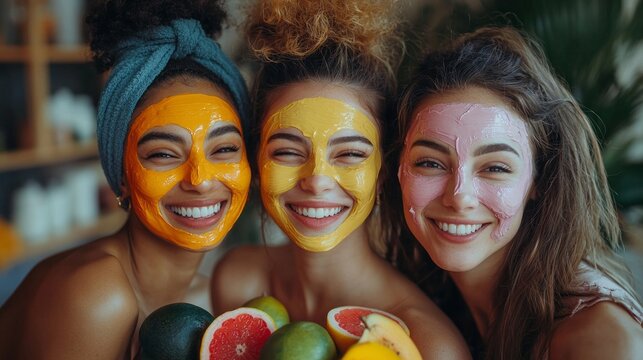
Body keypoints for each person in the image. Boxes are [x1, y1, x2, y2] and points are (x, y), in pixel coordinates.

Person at [210, 0, 470, 357]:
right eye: (287, 152)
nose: (317, 180)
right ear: (257, 160)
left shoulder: (429, 345)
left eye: (350, 154)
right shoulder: (236, 281)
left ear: (385, 168)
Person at [0, 0, 250, 358]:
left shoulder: (209, 297)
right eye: (163, 154)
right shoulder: (97, 295)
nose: (200, 179)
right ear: (121, 177)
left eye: (225, 149)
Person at [392, 26, 643, 359]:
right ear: (398, 168)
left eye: (495, 168)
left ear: (538, 178)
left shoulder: (599, 337)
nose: (459, 196)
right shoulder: (424, 292)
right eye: (430, 163)